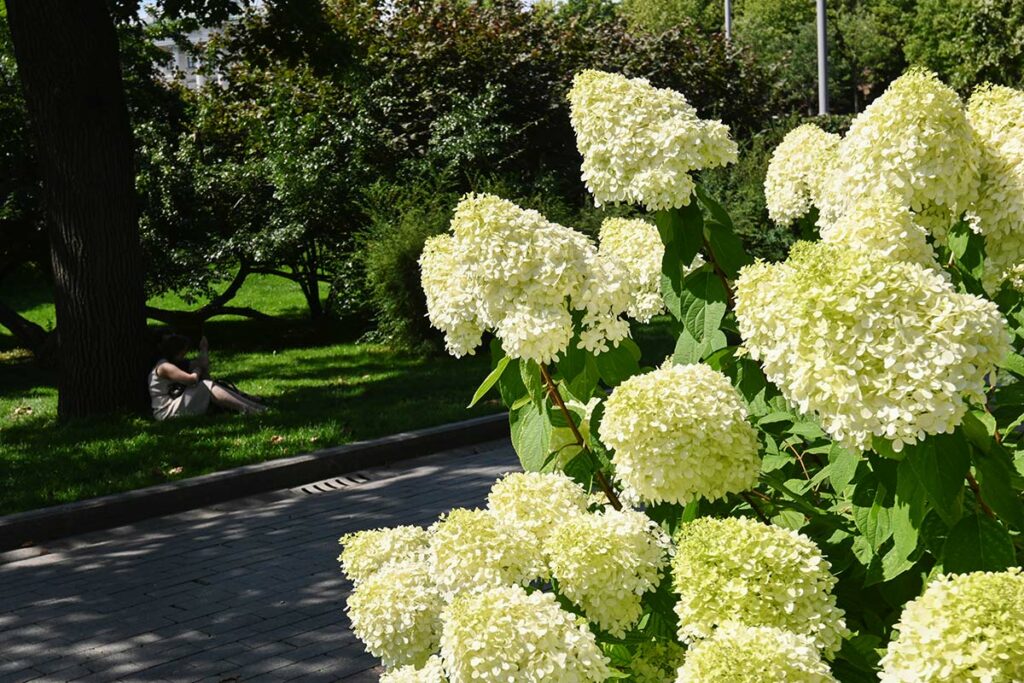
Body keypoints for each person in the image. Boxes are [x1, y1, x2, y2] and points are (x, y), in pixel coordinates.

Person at [149, 333, 267, 421]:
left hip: (176, 404)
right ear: (175, 352)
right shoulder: (164, 367)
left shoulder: (177, 363)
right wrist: (197, 371)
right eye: (182, 353)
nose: (184, 355)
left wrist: (204, 349)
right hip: (166, 411)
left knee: (207, 383)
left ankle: (255, 406)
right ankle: (250, 410)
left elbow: (203, 365)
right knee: (205, 385)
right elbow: (192, 379)